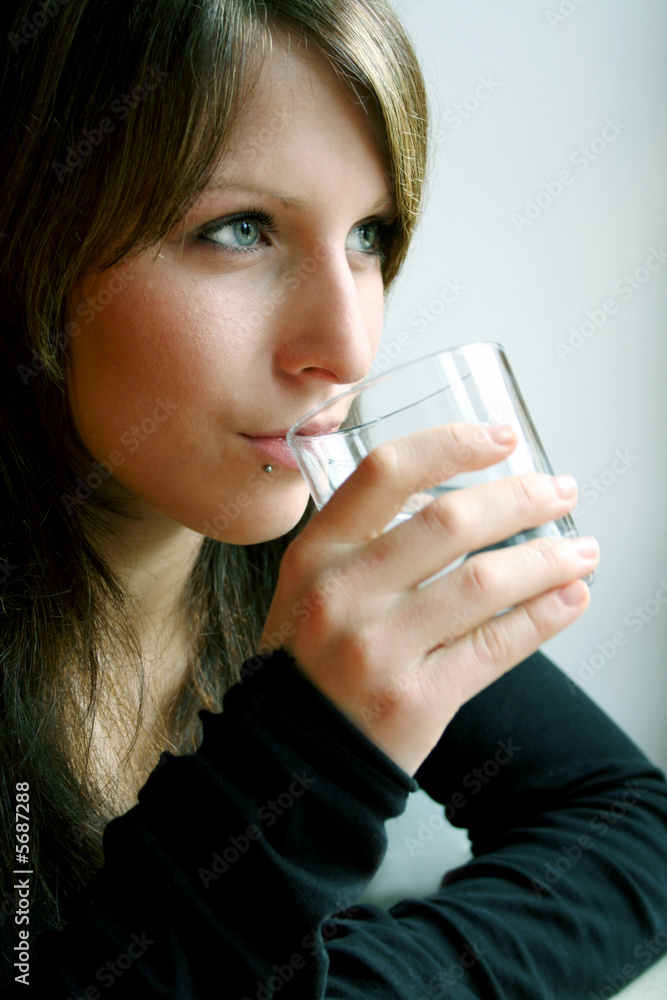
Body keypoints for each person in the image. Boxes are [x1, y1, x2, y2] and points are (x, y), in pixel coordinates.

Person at [1, 0, 666, 996]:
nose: (350, 347)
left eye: (369, 234)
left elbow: (627, 825)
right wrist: (302, 751)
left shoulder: (318, 541)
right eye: (237, 229)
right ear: (30, 242)